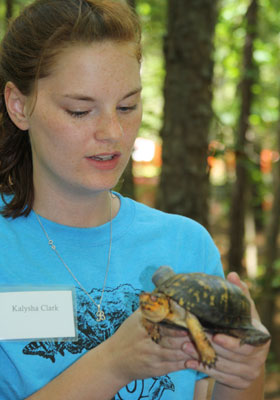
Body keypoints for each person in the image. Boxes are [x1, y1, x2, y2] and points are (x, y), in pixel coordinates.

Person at [0, 0, 270, 399]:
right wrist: (112, 365)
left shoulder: (185, 244)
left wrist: (241, 372)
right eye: (80, 111)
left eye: (127, 106)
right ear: (19, 106)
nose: (112, 131)